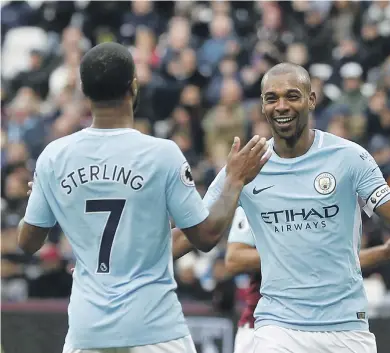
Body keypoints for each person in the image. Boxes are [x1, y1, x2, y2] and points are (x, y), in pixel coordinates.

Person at [202, 62, 390, 353]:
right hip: (277, 327)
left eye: (292, 96)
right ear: (263, 106)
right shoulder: (246, 165)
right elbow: (201, 231)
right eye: (272, 98)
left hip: (345, 326)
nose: (281, 106)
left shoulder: (350, 157)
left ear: (311, 100)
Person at [17, 42, 270, 353]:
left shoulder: (54, 157)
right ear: (133, 87)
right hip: (155, 330)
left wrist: (41, 196)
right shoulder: (160, 154)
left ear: (84, 90)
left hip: (88, 332)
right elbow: (205, 236)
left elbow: (28, 243)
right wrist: (234, 180)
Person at [224, 207, 390, 353]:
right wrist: (298, 253)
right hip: (266, 326)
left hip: (326, 325)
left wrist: (384, 252)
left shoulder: (323, 198)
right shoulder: (257, 194)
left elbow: (335, 261)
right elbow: (234, 259)